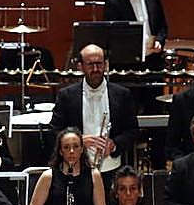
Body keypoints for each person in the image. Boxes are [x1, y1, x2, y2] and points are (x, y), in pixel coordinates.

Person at [48, 44, 139, 173]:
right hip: (77, 167)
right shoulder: (66, 96)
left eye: (99, 64)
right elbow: (54, 131)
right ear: (80, 66)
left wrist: (114, 145)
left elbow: (132, 131)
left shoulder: (122, 94)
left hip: (112, 168)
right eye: (90, 64)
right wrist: (77, 140)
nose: (96, 69)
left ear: (106, 65)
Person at [28, 127, 108, 205]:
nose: (71, 151)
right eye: (66, 147)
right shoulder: (48, 176)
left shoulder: (94, 175)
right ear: (60, 151)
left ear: (81, 149)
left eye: (76, 147)